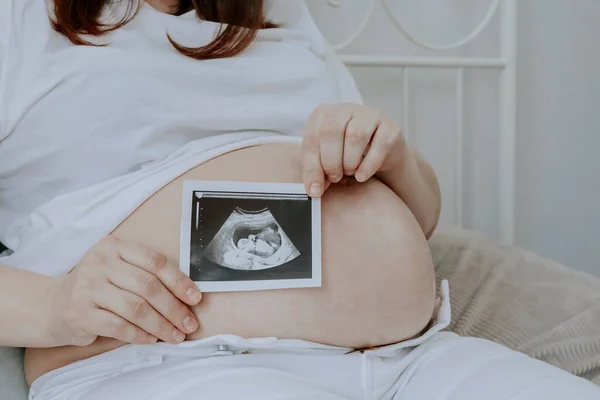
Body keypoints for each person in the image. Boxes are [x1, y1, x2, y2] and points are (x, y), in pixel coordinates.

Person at [0, 1, 598, 399]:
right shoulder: (19, 21)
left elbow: (419, 221)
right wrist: (55, 304)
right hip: (172, 366)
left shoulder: (280, 16)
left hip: (405, 359)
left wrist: (395, 160)